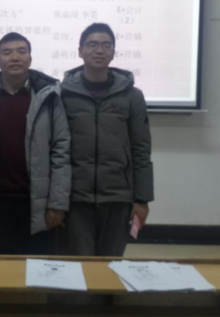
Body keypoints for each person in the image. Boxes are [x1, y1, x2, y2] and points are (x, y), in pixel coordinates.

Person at [0, 32, 71, 255]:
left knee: (36, 268)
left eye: (21, 51)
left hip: (37, 202)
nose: (15, 57)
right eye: (7, 52)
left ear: (30, 58)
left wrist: (57, 203)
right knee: (2, 267)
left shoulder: (49, 97)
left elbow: (61, 150)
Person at [61, 23, 154, 257]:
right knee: (80, 264)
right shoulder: (63, 94)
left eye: (106, 45)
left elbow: (141, 149)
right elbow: (55, 148)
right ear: (80, 51)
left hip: (118, 197)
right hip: (75, 198)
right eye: (92, 44)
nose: (99, 50)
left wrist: (142, 200)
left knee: (110, 265)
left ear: (113, 52)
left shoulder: (132, 96)